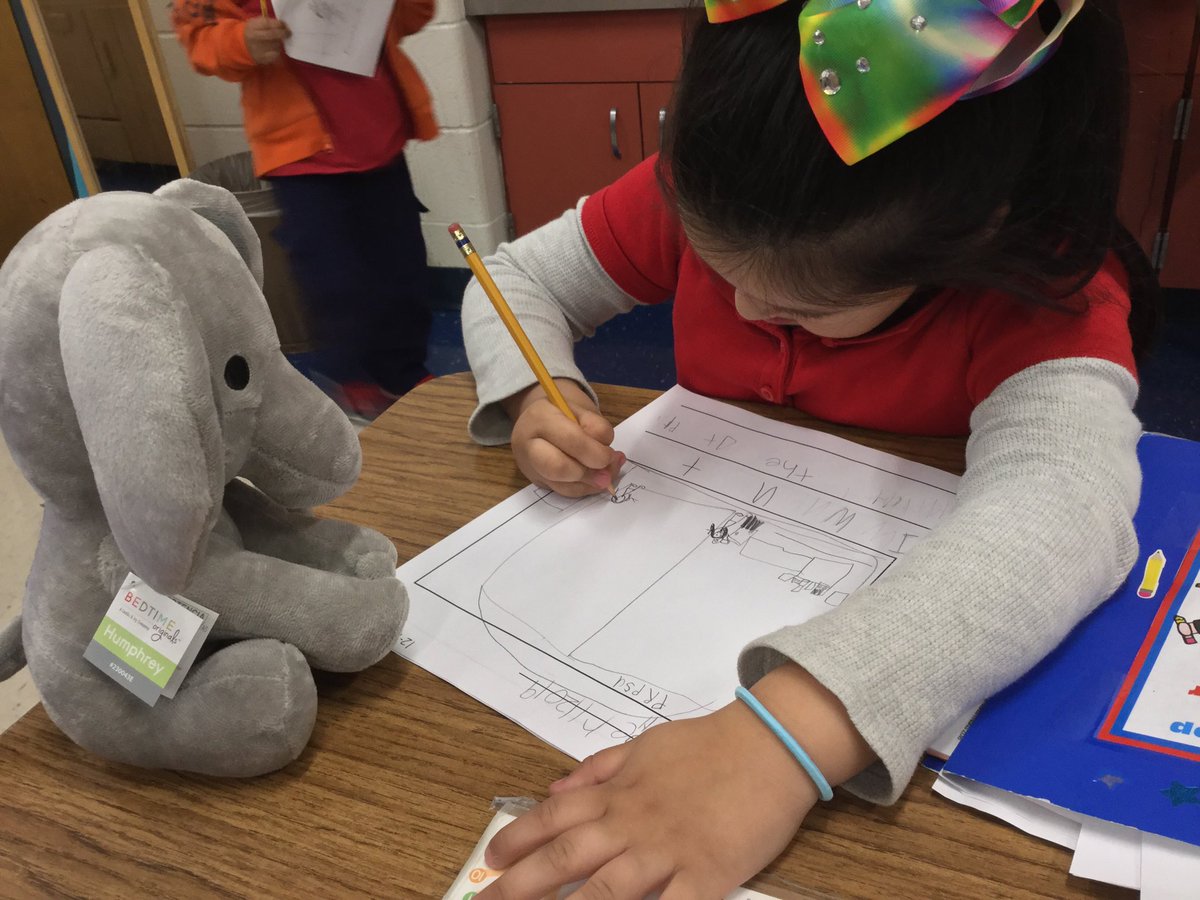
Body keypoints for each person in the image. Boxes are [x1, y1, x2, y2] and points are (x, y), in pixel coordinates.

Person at [461, 1, 1157, 896]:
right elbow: (516, 278)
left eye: (800, 309)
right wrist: (536, 390)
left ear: (971, 236)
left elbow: (1066, 511)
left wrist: (783, 737)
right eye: (716, 268)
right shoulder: (718, 185)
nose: (745, 310)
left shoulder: (1039, 288)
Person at [173, 0, 438, 420]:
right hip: (301, 159)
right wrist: (241, 40)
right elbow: (199, 37)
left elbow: (412, 16)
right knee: (333, 280)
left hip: (380, 139)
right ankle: (350, 382)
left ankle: (403, 371)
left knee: (403, 270)